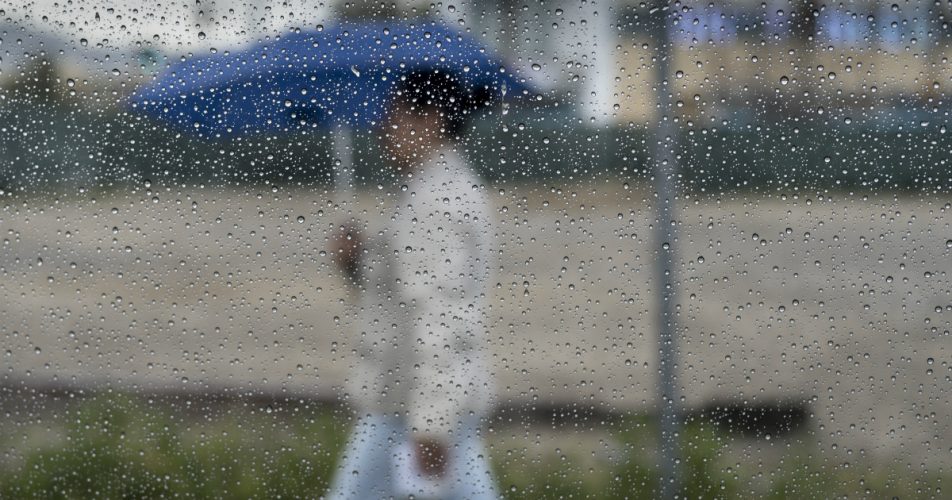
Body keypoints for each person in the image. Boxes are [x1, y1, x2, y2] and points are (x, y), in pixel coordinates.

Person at [327, 70, 497, 499]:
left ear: (431, 120)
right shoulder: (433, 189)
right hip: (413, 400)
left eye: (394, 115)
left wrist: (433, 424)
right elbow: (401, 293)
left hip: (411, 406)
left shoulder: (435, 201)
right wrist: (357, 261)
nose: (383, 129)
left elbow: (444, 311)